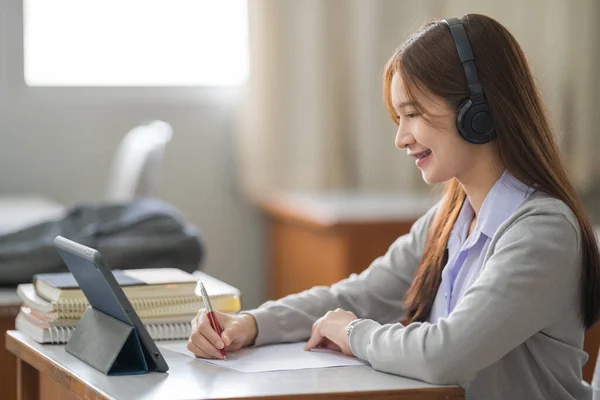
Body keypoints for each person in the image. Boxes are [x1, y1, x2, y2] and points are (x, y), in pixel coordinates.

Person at [187, 13, 600, 400]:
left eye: (413, 114)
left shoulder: (542, 231)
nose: (401, 138)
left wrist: (354, 334)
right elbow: (362, 294)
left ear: (478, 113)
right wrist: (253, 324)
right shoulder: (451, 218)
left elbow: (445, 354)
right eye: (398, 118)